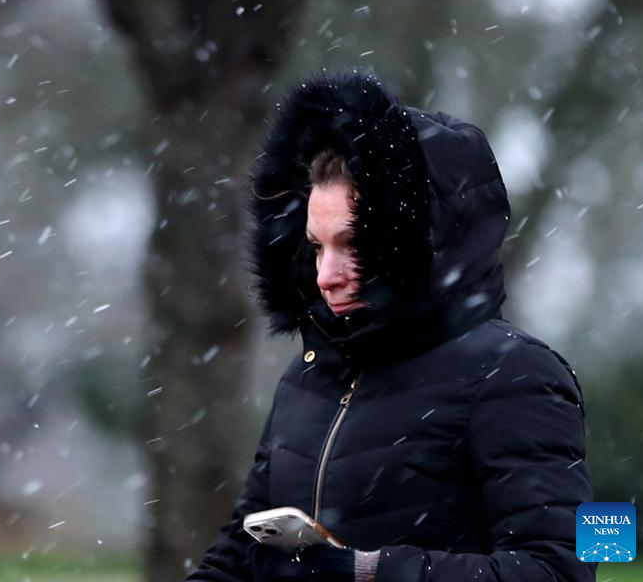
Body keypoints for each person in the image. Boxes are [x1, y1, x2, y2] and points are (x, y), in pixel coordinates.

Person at [185, 70, 596, 582]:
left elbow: (562, 569)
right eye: (316, 246)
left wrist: (366, 571)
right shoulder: (308, 376)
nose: (326, 276)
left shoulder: (516, 375)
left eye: (352, 244)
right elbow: (239, 552)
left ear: (415, 241)